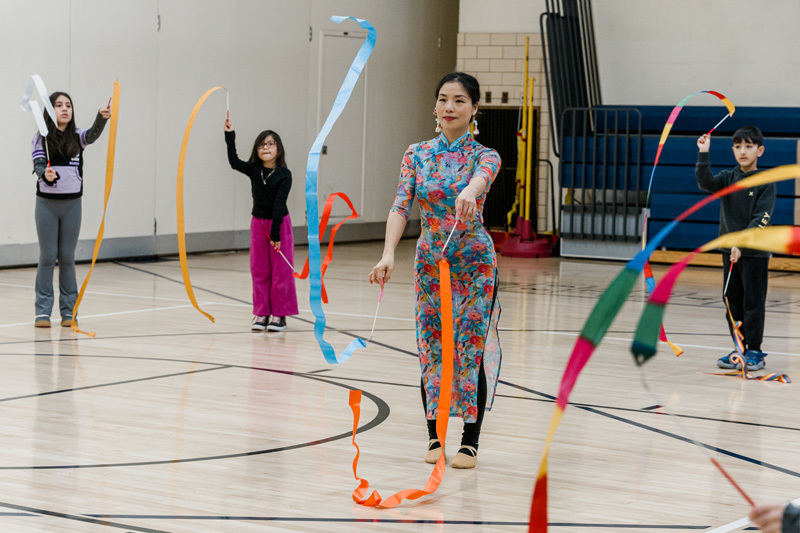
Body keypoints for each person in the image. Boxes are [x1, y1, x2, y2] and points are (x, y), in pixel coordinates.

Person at [369, 72, 502, 469]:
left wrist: (469, 190)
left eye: (460, 101)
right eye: (444, 99)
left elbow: (482, 179)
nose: (449, 107)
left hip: (475, 266)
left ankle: (470, 441)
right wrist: (388, 253)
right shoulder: (416, 153)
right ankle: (434, 436)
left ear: (474, 109)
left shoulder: (485, 155)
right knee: (431, 349)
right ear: (435, 106)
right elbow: (400, 206)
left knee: (469, 348)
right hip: (431, 264)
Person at [696, 125, 775, 371]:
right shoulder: (728, 178)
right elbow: (705, 182)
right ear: (733, 150)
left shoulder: (765, 182)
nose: (743, 151)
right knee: (732, 300)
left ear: (759, 151)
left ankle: (754, 351)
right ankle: (739, 347)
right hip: (730, 254)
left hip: (754, 253)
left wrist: (741, 243)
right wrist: (703, 154)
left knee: (753, 302)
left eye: (749, 147)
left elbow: (762, 218)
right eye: (738, 147)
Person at [31, 92, 109, 328]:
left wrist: (101, 119)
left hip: (73, 205)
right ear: (49, 109)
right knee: (47, 257)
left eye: (68, 105)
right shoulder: (40, 138)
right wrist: (45, 172)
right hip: (46, 204)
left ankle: (69, 312)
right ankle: (42, 312)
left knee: (67, 257)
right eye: (58, 105)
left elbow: (92, 136)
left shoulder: (77, 137)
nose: (64, 109)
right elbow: (38, 165)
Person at [224, 120, 298, 331]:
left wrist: (275, 234)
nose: (266, 147)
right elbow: (233, 162)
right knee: (260, 270)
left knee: (281, 272)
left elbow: (279, 204)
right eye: (262, 144)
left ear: (278, 149)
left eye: (271, 144)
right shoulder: (254, 169)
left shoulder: (285, 175)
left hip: (279, 225)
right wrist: (230, 135)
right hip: (258, 224)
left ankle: (280, 316)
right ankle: (262, 313)